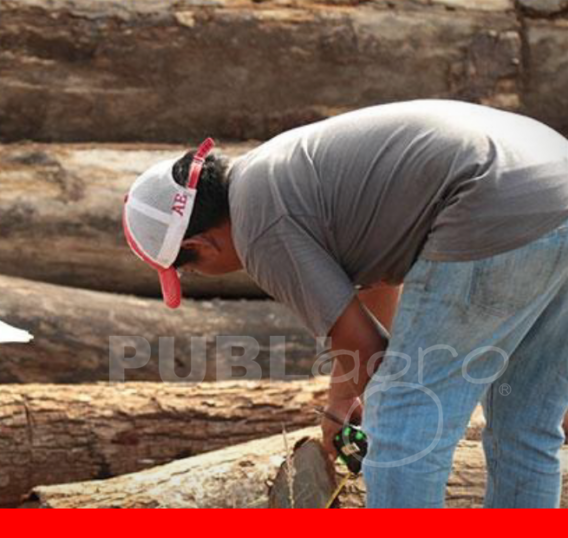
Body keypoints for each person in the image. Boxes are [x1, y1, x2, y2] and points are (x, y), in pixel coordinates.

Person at [122, 100, 568, 507]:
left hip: (494, 202)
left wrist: (380, 409)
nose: (195, 277)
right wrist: (341, 404)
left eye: (189, 270)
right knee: (524, 426)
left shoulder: (259, 229)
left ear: (202, 244)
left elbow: (366, 351)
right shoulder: (273, 175)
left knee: (402, 421)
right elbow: (376, 288)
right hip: (553, 175)